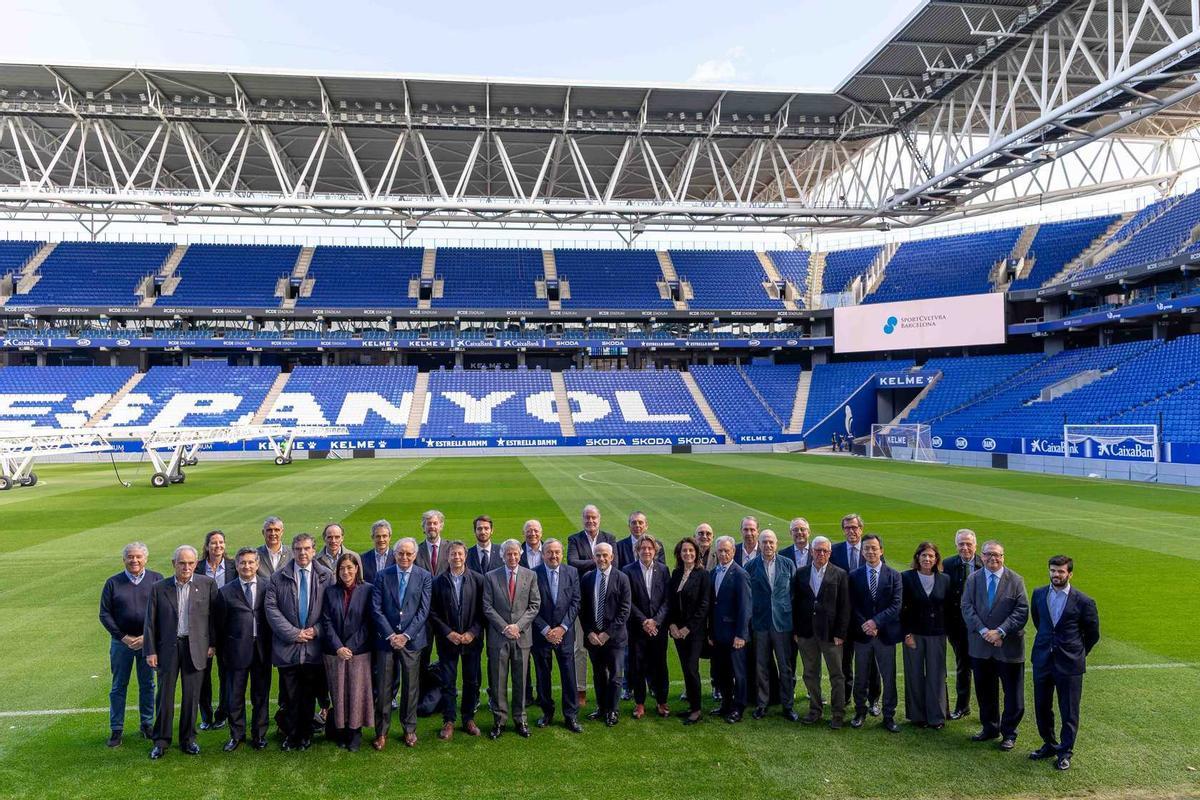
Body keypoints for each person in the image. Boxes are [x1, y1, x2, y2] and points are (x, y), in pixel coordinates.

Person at [144, 545, 218, 759]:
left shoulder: (207, 584)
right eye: (182, 563)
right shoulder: (159, 587)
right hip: (168, 648)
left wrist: (212, 644)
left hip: (196, 647)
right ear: (173, 564)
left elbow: (214, 618)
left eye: (190, 563)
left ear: (196, 564)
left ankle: (188, 739)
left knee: (191, 696)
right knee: (164, 695)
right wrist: (150, 651)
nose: (186, 567)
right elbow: (150, 622)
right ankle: (161, 741)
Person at [1029, 555, 1100, 771]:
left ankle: (1065, 751)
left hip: (1069, 664)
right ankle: (1049, 744)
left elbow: (1092, 634)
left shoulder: (1084, 601)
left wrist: (1077, 653)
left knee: (1069, 711)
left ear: (1070, 574)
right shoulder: (1039, 594)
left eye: (1060, 571)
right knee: (1042, 706)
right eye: (1053, 570)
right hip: (1042, 660)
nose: (1056, 575)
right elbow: (1039, 622)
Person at [265, 533, 333, 751]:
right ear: (292, 551)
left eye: (306, 548)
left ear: (313, 550)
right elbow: (271, 609)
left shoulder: (326, 576)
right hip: (288, 648)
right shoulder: (278, 577)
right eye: (298, 549)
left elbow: (332, 609)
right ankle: (291, 735)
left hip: (314, 648)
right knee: (290, 696)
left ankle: (305, 735)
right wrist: (294, 633)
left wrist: (316, 630)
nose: (302, 553)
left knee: (308, 695)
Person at [961, 539, 1028, 752]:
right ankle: (990, 728)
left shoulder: (1016, 580)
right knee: (985, 691)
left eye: (997, 554)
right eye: (988, 554)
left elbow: (1021, 611)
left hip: (1008, 647)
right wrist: (984, 632)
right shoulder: (973, 579)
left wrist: (1000, 632)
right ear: (982, 556)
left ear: (1003, 557)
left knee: (1013, 695)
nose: (992, 558)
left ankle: (1009, 733)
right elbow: (967, 607)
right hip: (981, 647)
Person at [370, 538, 432, 750]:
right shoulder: (382, 575)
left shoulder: (424, 576)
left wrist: (405, 635)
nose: (404, 557)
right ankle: (381, 732)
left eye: (408, 554)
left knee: (410, 688)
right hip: (386, 641)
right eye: (400, 553)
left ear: (415, 555)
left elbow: (423, 610)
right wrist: (390, 634)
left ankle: (409, 729)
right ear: (394, 554)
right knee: (383, 688)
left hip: (412, 641)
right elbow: (376, 608)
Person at [99, 542, 162, 747]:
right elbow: (105, 614)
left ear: (146, 559)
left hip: (147, 642)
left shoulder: (157, 579)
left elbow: (163, 611)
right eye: (130, 557)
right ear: (124, 559)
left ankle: (147, 724)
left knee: (148, 684)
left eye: (138, 557)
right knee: (119, 686)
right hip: (121, 644)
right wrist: (122, 636)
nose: (134, 560)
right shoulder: (113, 583)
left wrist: (147, 636)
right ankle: (116, 729)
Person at [482, 539, 540, 739]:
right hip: (499, 637)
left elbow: (534, 605)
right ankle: (499, 720)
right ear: (502, 556)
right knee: (498, 681)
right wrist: (505, 627)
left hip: (522, 637)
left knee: (520, 680)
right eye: (508, 554)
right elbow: (487, 606)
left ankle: (520, 719)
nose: (512, 557)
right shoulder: (491, 576)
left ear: (520, 555)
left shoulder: (530, 575)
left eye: (515, 553)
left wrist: (518, 626)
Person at [215, 547, 272, 752]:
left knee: (261, 696)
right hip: (235, 652)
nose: (247, 566)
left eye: (250, 562)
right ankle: (236, 735)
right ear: (237, 566)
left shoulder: (268, 587)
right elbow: (219, 626)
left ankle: (259, 735)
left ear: (257, 564)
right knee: (235, 697)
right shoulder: (225, 591)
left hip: (262, 651)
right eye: (242, 563)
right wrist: (223, 652)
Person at [791, 536, 850, 728]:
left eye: (824, 550)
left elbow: (844, 606)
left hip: (831, 634)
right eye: (817, 550)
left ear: (830, 553)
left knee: (837, 675)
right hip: (807, 633)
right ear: (811, 552)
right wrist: (797, 630)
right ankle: (815, 710)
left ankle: (837, 714)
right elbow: (796, 604)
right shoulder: (801, 573)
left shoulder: (840, 574)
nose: (821, 554)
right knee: (810, 673)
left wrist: (840, 633)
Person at [429, 541, 485, 740]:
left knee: (471, 681)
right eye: (453, 554)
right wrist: (448, 633)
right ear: (448, 556)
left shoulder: (478, 580)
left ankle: (468, 718)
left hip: (472, 642)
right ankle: (449, 720)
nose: (457, 557)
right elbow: (432, 612)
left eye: (460, 554)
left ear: (465, 556)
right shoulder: (438, 581)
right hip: (447, 642)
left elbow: (483, 610)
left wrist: (472, 632)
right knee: (448, 682)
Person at [319, 552, 374, 752]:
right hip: (335, 652)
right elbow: (326, 621)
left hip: (359, 652)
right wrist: (338, 647)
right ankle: (341, 731)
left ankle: (355, 732)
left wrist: (350, 646)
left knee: (357, 693)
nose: (346, 572)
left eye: (350, 567)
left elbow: (369, 622)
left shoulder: (368, 589)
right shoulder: (330, 591)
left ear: (357, 568)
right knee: (339, 692)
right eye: (342, 568)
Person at [848, 534, 902, 733]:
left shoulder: (894, 575)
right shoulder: (854, 575)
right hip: (863, 635)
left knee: (888, 677)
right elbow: (852, 604)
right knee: (861, 676)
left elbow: (896, 605)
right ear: (862, 552)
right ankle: (860, 711)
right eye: (866, 549)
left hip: (884, 635)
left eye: (874, 548)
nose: (870, 552)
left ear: (881, 550)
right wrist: (865, 624)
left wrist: (876, 622)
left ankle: (889, 715)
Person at [565, 505, 615, 708]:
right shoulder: (574, 539)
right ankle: (581, 690)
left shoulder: (609, 538)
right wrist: (598, 561)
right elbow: (572, 562)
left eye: (594, 517)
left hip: (606, 601)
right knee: (580, 647)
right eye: (587, 517)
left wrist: (592, 561)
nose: (590, 521)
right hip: (583, 601)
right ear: (582, 519)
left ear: (599, 518)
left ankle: (609, 690)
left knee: (608, 647)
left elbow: (614, 563)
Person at [746, 530, 797, 721]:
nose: (768, 545)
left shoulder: (787, 564)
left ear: (776, 544)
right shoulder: (751, 566)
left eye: (771, 542)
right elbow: (748, 595)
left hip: (782, 623)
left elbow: (793, 593)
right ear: (759, 544)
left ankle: (788, 705)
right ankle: (762, 704)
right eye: (764, 542)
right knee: (761, 666)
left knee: (785, 666)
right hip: (760, 623)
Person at [532, 539, 582, 732]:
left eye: (557, 552)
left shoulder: (572, 572)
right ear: (543, 554)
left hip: (565, 634)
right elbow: (531, 605)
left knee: (568, 675)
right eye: (549, 552)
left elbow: (576, 602)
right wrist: (546, 630)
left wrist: (562, 627)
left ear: (562, 554)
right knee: (543, 675)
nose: (553, 556)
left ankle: (571, 715)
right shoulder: (533, 574)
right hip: (542, 635)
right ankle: (547, 712)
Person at [832, 513, 880, 715]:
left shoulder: (871, 549)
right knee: (844, 661)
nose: (851, 531)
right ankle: (845, 697)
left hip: (866, 619)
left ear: (861, 529)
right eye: (847, 528)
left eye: (854, 527)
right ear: (843, 530)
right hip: (843, 618)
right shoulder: (834, 551)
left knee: (871, 662)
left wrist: (875, 620)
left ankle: (874, 700)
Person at [579, 542, 631, 727]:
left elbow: (624, 610)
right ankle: (601, 708)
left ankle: (613, 710)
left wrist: (607, 633)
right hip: (594, 638)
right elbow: (582, 609)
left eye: (605, 555)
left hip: (614, 638)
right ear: (594, 557)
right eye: (598, 555)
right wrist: (589, 632)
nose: (601, 559)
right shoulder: (587, 578)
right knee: (599, 675)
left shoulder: (622, 578)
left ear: (612, 557)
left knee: (616, 676)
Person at [901, 541, 950, 729]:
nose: (927, 559)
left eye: (931, 556)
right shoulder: (906, 577)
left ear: (936, 559)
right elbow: (901, 608)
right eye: (924, 555)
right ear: (917, 557)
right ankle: (917, 715)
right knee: (914, 674)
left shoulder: (945, 579)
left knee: (936, 675)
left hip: (937, 634)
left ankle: (936, 717)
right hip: (913, 634)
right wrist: (906, 633)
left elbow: (948, 609)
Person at [622, 534, 671, 719]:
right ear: (637, 550)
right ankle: (640, 703)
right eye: (643, 548)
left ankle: (661, 701)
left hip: (658, 628)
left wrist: (655, 621)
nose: (646, 551)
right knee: (637, 666)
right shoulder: (628, 570)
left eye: (650, 548)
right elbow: (628, 601)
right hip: (637, 628)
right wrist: (644, 621)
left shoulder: (664, 570)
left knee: (660, 665)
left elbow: (667, 600)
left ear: (655, 551)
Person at [196, 529, 235, 732]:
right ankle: (206, 715)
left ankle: (222, 713)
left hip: (227, 627)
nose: (217, 546)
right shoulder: (197, 567)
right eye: (213, 542)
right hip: (202, 628)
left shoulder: (233, 566)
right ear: (207, 546)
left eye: (220, 542)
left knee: (226, 674)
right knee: (203, 675)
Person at [709, 536, 751, 723]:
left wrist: (741, 634)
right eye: (720, 551)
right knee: (722, 671)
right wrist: (711, 632)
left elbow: (745, 607)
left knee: (738, 674)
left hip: (735, 634)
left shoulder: (740, 574)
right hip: (718, 633)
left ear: (733, 551)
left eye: (727, 550)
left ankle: (739, 708)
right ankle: (726, 704)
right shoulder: (713, 573)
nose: (723, 554)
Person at [668, 536, 710, 725]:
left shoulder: (703, 575)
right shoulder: (676, 573)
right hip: (677, 632)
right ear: (679, 554)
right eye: (684, 550)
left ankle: (696, 710)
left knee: (692, 669)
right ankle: (691, 705)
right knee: (686, 669)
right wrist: (672, 625)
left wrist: (687, 628)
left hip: (695, 633)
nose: (688, 553)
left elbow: (704, 605)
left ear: (696, 553)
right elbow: (670, 602)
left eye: (691, 550)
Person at [942, 528, 982, 720]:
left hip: (981, 626)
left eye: (968, 544)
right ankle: (962, 706)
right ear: (956, 545)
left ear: (976, 545)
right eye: (961, 544)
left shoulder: (986, 563)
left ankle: (987, 710)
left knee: (984, 668)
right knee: (963, 665)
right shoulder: (947, 564)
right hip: (957, 626)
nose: (965, 548)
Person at [416, 509, 450, 576]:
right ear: (423, 527)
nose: (432, 526)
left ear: (441, 527)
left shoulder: (450, 548)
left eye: (435, 523)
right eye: (429, 523)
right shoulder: (416, 550)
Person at [360, 520, 393, 586]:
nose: (381, 540)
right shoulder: (363, 558)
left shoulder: (397, 558)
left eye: (384, 536)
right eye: (378, 536)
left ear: (389, 537)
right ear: (372, 537)